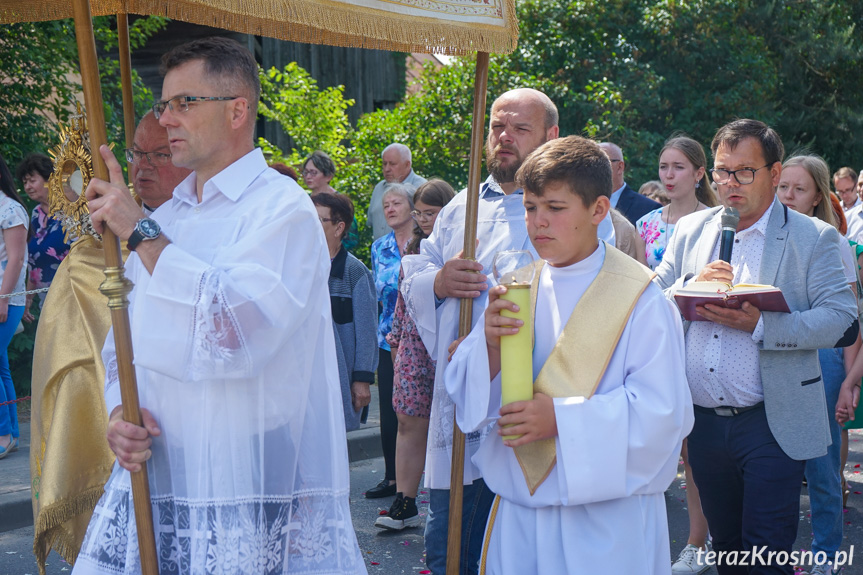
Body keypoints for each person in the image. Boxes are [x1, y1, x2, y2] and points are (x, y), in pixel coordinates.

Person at [72, 37, 366, 574]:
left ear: (237, 110)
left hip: (242, 475)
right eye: (164, 105)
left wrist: (139, 230)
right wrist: (120, 413)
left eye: (186, 103)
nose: (166, 121)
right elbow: (124, 339)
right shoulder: (174, 216)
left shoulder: (283, 211)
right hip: (161, 471)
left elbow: (232, 331)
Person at [445, 135, 693, 573]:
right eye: (530, 206)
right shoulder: (517, 286)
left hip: (604, 521)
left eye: (555, 209)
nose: (538, 222)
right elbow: (469, 400)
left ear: (598, 209)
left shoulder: (643, 299)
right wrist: (486, 344)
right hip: (519, 516)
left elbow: (664, 415)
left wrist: (561, 419)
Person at [654, 119, 858, 575]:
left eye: (744, 172)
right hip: (703, 424)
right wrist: (690, 286)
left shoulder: (814, 237)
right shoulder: (690, 229)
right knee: (727, 549)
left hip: (772, 421)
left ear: (774, 171)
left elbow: (842, 318)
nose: (730, 184)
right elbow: (651, 299)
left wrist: (762, 324)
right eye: (723, 172)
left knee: (765, 553)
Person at [401, 87, 558, 575]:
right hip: (463, 402)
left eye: (519, 128)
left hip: (528, 402)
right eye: (496, 127)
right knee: (449, 548)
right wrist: (441, 281)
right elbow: (416, 274)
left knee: (511, 551)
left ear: (550, 136)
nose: (503, 138)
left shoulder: (561, 210)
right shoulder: (462, 207)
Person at [776, 154, 858, 575]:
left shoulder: (831, 241)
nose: (788, 196)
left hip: (822, 360)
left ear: (816, 198)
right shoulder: (761, 236)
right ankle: (773, 553)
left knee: (821, 465)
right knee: (774, 466)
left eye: (799, 189)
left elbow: (850, 323)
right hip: (772, 355)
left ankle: (826, 554)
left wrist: (849, 382)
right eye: (783, 187)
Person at [375, 179, 455, 531]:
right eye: (419, 213)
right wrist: (395, 344)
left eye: (431, 213)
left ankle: (448, 497)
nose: (424, 220)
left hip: (447, 345)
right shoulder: (411, 248)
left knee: (447, 424)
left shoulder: (459, 247)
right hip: (412, 346)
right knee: (408, 421)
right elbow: (400, 304)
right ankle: (405, 501)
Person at [366, 182, 416, 499]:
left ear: (411, 206)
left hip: (418, 339)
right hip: (387, 339)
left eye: (396, 203)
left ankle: (417, 477)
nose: (390, 209)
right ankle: (392, 478)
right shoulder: (380, 247)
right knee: (388, 409)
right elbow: (378, 294)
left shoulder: (425, 243)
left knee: (414, 414)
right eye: (386, 205)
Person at [311, 192, 377, 431]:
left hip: (340, 377)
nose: (310, 225)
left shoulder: (354, 272)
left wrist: (362, 380)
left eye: (318, 220)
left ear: (339, 228)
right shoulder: (300, 267)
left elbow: (368, 333)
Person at [636, 135, 717, 271]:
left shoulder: (714, 222)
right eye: (663, 167)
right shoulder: (646, 224)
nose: (669, 175)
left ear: (699, 174)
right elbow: (642, 281)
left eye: (678, 167)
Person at [16, 153, 71, 314]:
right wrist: (28, 297)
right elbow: (35, 259)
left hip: (74, 295)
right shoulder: (35, 214)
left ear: (50, 180)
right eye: (25, 182)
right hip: (46, 300)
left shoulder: (72, 209)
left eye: (32, 181)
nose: (27, 187)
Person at [0, 153, 28, 460]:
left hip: (5, 297)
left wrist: (3, 299)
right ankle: (12, 435)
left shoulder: (10, 209)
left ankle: (3, 434)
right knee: (1, 366)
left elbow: (15, 259)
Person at [126, 111, 191, 213]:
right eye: (138, 153)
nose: (142, 165)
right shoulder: (118, 214)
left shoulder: (210, 218)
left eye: (160, 155)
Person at [368, 144, 426, 241]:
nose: (387, 169)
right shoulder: (378, 188)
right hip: (380, 253)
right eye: (384, 163)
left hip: (413, 251)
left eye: (392, 164)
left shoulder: (422, 188)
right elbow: (371, 221)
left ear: (407, 164)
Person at [598, 141, 661, 226]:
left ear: (620, 167)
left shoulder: (649, 209)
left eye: (601, 163)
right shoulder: (582, 206)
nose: (594, 169)